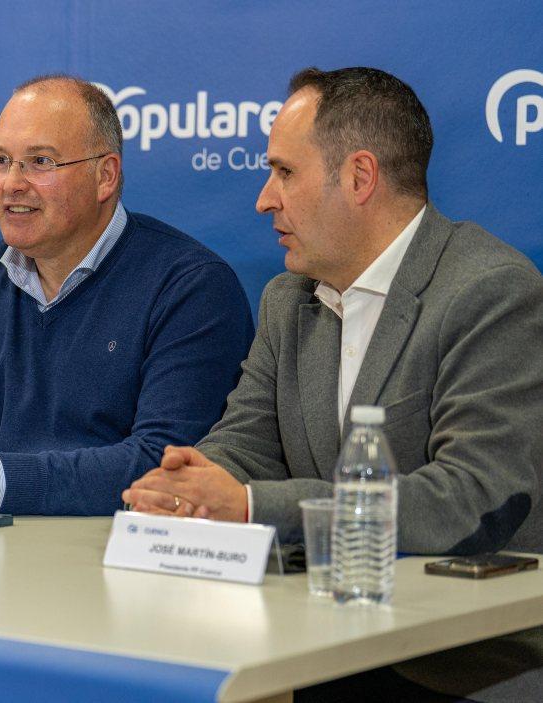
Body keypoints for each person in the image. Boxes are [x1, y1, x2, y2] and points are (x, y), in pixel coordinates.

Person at [124, 67, 543, 702]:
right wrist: (187, 483)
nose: (265, 198)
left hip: (461, 664)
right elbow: (245, 443)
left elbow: (472, 499)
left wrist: (246, 506)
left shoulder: (489, 292)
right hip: (316, 643)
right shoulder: (288, 300)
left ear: (359, 177)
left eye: (284, 172)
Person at [0, 75, 254, 515]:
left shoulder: (191, 286)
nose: (11, 184)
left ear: (105, 176)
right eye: (2, 161)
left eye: (39, 162)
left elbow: (165, 465)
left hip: (111, 559)